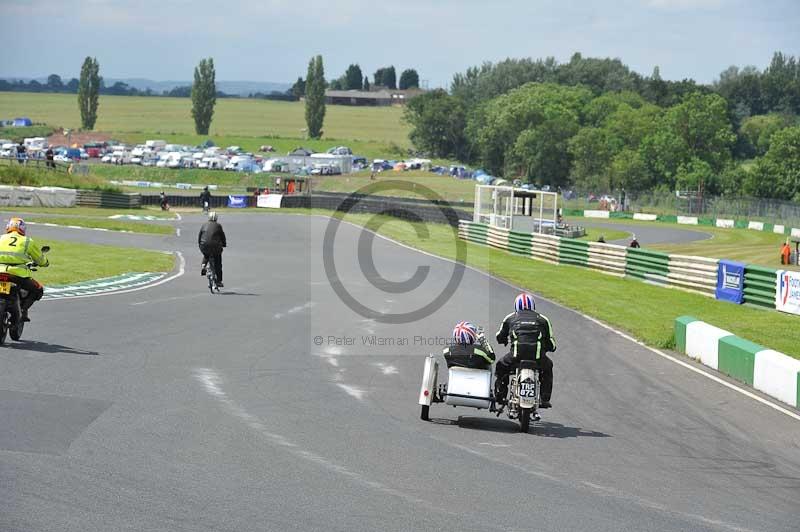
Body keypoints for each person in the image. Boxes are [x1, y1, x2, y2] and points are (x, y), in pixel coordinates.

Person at [494, 293, 556, 408]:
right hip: (537, 357)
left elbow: (499, 336)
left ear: (516, 306)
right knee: (548, 367)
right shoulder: (543, 319)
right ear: (533, 306)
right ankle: (545, 398)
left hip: (516, 356)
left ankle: (500, 395)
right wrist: (549, 348)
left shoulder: (510, 318)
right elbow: (551, 343)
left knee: (501, 366)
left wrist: (503, 340)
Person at [0, 218, 49, 322]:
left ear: (8, 227)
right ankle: (23, 309)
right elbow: (40, 260)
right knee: (38, 289)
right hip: (17, 275)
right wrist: (45, 263)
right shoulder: (27, 241)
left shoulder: (1, 238)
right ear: (22, 229)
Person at [198, 211, 226, 287]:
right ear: (216, 218)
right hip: (215, 247)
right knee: (218, 263)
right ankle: (219, 281)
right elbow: (222, 237)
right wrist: (224, 244)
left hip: (204, 245)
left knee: (206, 255)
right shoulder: (218, 226)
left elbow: (200, 236)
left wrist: (200, 244)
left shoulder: (204, 225)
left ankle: (203, 265)